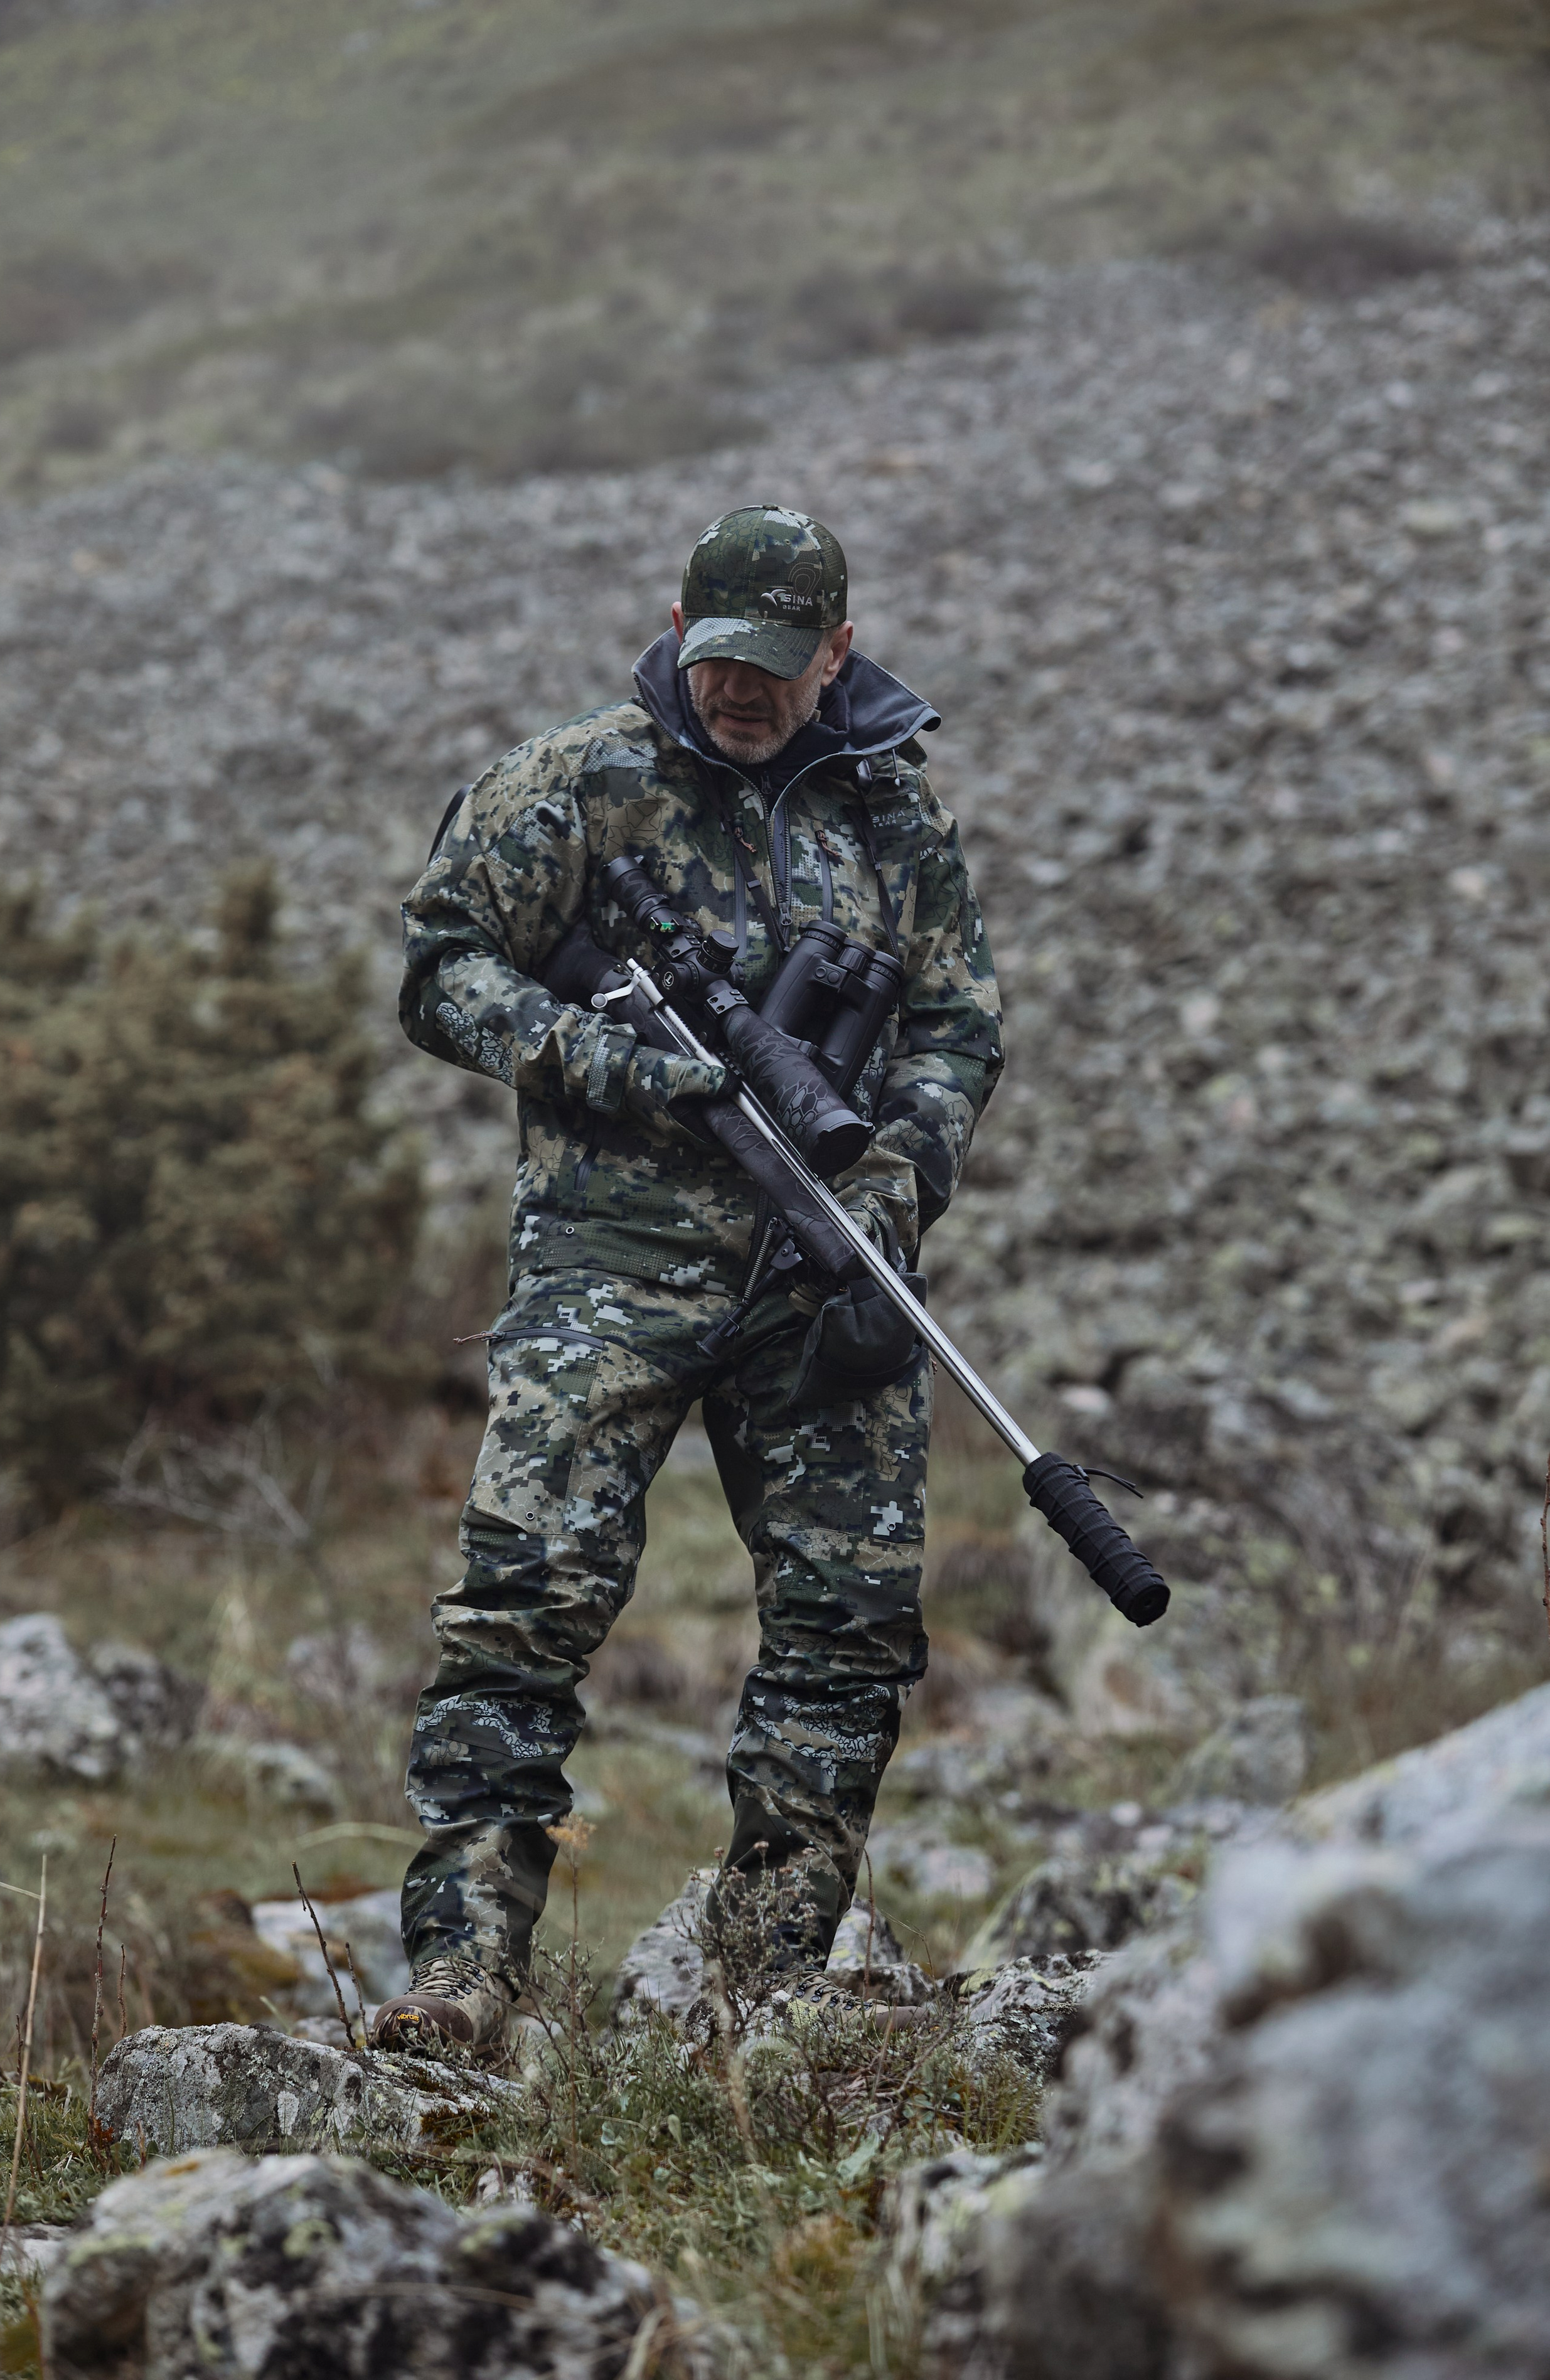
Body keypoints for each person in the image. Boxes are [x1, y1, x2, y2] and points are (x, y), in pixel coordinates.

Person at [373, 504, 1002, 2054]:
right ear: (674, 628)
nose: (738, 688)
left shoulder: (891, 815)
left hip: (825, 1263)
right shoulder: (575, 779)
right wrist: (609, 1063)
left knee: (848, 1626)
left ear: (837, 652)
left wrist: (896, 1181)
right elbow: (443, 965)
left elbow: (955, 1027)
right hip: (610, 1260)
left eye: (776, 664)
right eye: (716, 655)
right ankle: (462, 1977)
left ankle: (764, 1990)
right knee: (523, 1605)